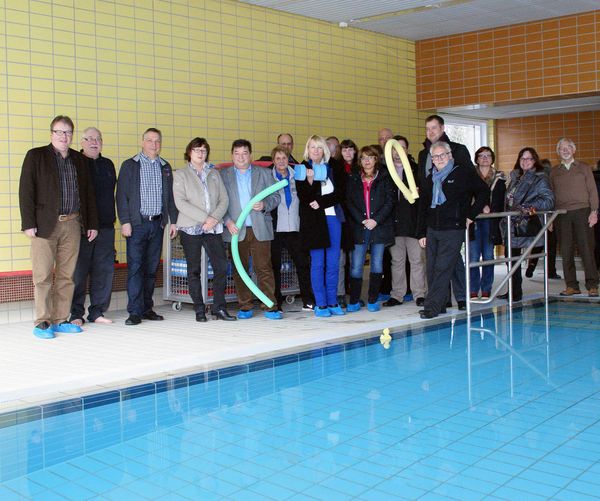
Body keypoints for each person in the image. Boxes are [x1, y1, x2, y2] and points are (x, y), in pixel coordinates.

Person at [19, 115, 99, 339]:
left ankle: (60, 319)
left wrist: (91, 223)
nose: (63, 136)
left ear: (72, 136)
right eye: (59, 132)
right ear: (51, 134)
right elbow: (26, 192)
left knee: (67, 275)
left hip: (72, 224)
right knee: (43, 275)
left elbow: (88, 195)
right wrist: (28, 223)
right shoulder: (36, 156)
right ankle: (43, 321)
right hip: (44, 225)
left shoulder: (79, 160)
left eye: (67, 133)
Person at [417, 141, 489, 319]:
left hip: (453, 228)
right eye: (435, 156)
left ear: (450, 156)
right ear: (432, 160)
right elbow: (422, 206)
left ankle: (431, 307)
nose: (439, 159)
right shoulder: (429, 178)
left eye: (443, 155)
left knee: (443, 267)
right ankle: (440, 304)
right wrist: (420, 233)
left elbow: (483, 192)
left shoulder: (463, 173)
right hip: (433, 228)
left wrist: (471, 215)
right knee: (432, 267)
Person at [116, 128, 178, 326]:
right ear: (142, 142)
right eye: (149, 140)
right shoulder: (130, 165)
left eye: (157, 141)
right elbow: (121, 196)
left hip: (157, 224)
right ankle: (134, 312)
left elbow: (170, 198)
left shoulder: (165, 167)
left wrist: (173, 221)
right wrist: (125, 221)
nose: (153, 144)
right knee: (135, 268)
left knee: (151, 269)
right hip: (137, 225)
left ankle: (146, 308)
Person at [173, 138, 236, 322]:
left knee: (221, 267)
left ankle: (219, 308)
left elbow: (224, 199)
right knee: (194, 270)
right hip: (191, 227)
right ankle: (199, 309)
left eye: (203, 150)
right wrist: (205, 219)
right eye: (196, 150)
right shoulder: (181, 174)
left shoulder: (214, 173)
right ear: (189, 153)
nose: (200, 153)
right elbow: (180, 202)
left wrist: (214, 219)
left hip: (213, 228)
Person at [418, 114, 474, 310]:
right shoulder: (423, 154)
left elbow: (469, 184)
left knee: (444, 264)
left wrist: (468, 214)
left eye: (434, 128)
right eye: (427, 129)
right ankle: (451, 299)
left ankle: (444, 301)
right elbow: (424, 189)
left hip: (453, 219)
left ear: (442, 129)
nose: (431, 132)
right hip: (434, 218)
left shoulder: (458, 150)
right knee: (450, 261)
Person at [221, 139, 282, 320]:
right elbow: (218, 202)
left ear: (251, 155)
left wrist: (265, 204)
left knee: (264, 268)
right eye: (237, 153)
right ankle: (245, 306)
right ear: (232, 155)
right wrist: (227, 221)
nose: (241, 157)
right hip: (235, 230)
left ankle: (270, 305)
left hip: (260, 228)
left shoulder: (263, 173)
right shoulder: (223, 176)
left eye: (245, 153)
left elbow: (276, 196)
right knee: (240, 270)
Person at [70, 127, 116, 326]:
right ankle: (75, 314)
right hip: (82, 228)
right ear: (81, 142)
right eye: (89, 139)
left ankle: (97, 312)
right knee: (79, 272)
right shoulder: (75, 163)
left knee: (103, 271)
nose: (93, 142)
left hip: (106, 227)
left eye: (97, 138)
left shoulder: (108, 164)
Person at [297, 135, 347, 317]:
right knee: (317, 263)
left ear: (324, 149)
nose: (316, 151)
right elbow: (304, 197)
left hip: (333, 218)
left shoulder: (335, 167)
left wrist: (321, 201)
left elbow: (341, 193)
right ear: (307, 150)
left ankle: (333, 300)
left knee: (333, 262)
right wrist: (310, 182)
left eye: (319, 147)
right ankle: (321, 303)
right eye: (312, 148)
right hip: (314, 222)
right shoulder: (303, 168)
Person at [500, 147, 555, 302]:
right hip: (510, 224)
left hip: (524, 224)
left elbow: (549, 200)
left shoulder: (540, 178)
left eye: (529, 158)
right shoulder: (515, 177)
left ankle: (515, 292)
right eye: (522, 158)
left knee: (514, 258)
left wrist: (530, 207)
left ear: (535, 160)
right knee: (510, 259)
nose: (525, 161)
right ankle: (513, 290)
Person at [345, 145, 395, 311]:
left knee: (377, 264)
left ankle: (373, 299)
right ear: (359, 161)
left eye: (370, 157)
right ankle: (354, 300)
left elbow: (390, 202)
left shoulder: (385, 177)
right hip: (360, 228)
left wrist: (375, 220)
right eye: (363, 158)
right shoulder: (353, 178)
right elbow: (349, 202)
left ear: (376, 159)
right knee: (356, 265)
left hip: (379, 228)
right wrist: (363, 220)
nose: (367, 161)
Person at [550, 138, 599, 296]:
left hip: (582, 212)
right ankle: (572, 285)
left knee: (587, 249)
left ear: (573, 150)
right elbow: (550, 195)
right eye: (561, 148)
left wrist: (594, 211)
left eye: (568, 147)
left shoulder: (584, 167)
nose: (565, 150)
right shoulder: (554, 171)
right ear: (558, 152)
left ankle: (592, 285)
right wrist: (551, 217)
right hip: (562, 214)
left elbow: (592, 190)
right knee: (566, 250)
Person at [269, 146, 314, 311]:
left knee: (302, 264)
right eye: (278, 158)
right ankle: (276, 303)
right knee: (275, 267)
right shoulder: (268, 177)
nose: (281, 161)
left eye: (284, 158)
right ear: (273, 161)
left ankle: (308, 300)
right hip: (276, 229)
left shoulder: (299, 175)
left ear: (288, 159)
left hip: (295, 228)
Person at [385, 139, 427, 308]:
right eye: (396, 148)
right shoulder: (386, 171)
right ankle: (397, 295)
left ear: (407, 150)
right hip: (394, 224)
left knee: (417, 261)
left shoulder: (416, 169)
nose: (398, 151)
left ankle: (419, 294)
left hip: (413, 222)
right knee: (397, 261)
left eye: (402, 148)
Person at [468, 147, 506, 299]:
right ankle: (473, 288)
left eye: (488, 156)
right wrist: (478, 206)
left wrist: (491, 208)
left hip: (491, 222)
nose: (484, 158)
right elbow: (465, 197)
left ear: (492, 158)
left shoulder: (500, 177)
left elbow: (502, 200)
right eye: (481, 156)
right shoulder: (469, 176)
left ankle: (486, 288)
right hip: (474, 221)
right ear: (476, 159)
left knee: (489, 256)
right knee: (474, 256)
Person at [525, 158, 561, 279]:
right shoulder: (550, 179)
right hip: (548, 216)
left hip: (535, 217)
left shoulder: (534, 179)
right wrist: (550, 218)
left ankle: (531, 266)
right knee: (551, 246)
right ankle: (551, 271)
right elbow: (552, 200)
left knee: (537, 245)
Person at [337, 139, 359, 307]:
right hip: (341, 218)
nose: (348, 153)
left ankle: (354, 293)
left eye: (350, 149)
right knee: (341, 260)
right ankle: (340, 293)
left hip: (357, 219)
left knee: (356, 260)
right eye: (344, 150)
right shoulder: (336, 168)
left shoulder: (360, 169)